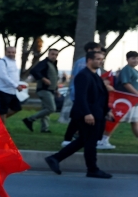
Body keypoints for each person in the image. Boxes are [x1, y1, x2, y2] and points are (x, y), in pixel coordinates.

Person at [45, 51, 113, 179]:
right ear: (89, 60)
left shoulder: (95, 76)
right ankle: (92, 169)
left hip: (96, 113)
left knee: (84, 140)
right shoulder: (83, 75)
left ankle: (55, 158)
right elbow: (81, 97)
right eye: (98, 59)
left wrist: (107, 110)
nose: (100, 61)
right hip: (87, 115)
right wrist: (87, 113)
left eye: (101, 59)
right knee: (90, 143)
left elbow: (99, 96)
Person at [61, 42, 101, 147]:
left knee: (78, 117)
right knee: (77, 117)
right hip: (82, 95)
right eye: (96, 50)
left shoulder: (81, 62)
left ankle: (74, 137)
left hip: (80, 94)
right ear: (90, 51)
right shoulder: (85, 63)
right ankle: (69, 138)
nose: (98, 53)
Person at [23, 48, 60, 133]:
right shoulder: (44, 63)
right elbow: (34, 71)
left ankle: (44, 128)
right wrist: (43, 79)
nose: (54, 56)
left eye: (56, 55)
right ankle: (30, 119)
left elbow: (54, 78)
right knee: (51, 108)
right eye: (52, 54)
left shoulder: (53, 64)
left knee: (45, 108)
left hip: (50, 90)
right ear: (48, 54)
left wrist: (56, 89)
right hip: (43, 90)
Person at [0, 46, 24, 122]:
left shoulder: (13, 62)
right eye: (9, 52)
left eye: (13, 52)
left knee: (17, 108)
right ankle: (1, 130)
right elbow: (3, 76)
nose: (11, 54)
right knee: (3, 111)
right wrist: (16, 86)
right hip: (2, 90)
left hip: (11, 91)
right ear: (5, 52)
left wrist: (17, 84)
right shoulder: (2, 62)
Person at [113, 51, 138, 138]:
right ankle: (104, 139)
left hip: (134, 102)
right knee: (117, 119)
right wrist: (136, 94)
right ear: (127, 59)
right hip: (126, 100)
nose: (136, 60)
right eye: (133, 58)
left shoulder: (134, 70)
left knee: (135, 121)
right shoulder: (127, 69)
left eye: (137, 58)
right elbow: (126, 83)